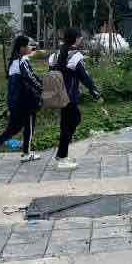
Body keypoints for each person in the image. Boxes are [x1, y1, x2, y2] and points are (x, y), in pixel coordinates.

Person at [48, 28, 101, 171]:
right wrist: (94, 91)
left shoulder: (55, 55)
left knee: (68, 123)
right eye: (80, 37)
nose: (81, 39)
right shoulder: (76, 56)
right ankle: (62, 158)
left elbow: (51, 74)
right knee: (71, 122)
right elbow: (85, 77)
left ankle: (61, 154)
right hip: (69, 97)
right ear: (76, 39)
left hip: (57, 95)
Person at [0, 34, 42, 165]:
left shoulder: (13, 62)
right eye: (28, 45)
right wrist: (42, 88)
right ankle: (27, 153)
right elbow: (30, 78)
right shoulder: (22, 61)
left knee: (14, 127)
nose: (30, 48)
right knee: (29, 125)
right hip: (25, 101)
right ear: (22, 48)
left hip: (14, 101)